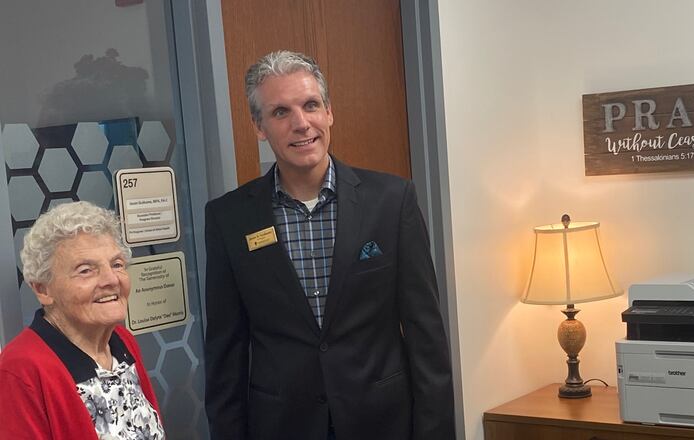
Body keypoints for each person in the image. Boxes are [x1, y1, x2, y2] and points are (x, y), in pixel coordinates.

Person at [204, 50, 455, 439]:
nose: (301, 124)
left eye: (310, 105)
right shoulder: (230, 218)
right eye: (281, 112)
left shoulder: (391, 201)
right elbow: (225, 355)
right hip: (282, 427)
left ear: (329, 112)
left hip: (384, 423)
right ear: (259, 126)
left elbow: (427, 336)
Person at [0, 201, 164, 439]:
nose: (111, 279)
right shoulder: (20, 371)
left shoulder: (122, 341)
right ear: (43, 289)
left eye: (117, 264)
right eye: (86, 270)